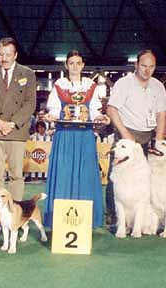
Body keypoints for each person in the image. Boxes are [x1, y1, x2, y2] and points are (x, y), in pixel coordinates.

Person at [42, 50, 109, 229]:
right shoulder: (59, 84)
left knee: (85, 173)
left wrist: (100, 117)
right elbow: (55, 110)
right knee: (63, 172)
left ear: (83, 65)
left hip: (84, 137)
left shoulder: (90, 86)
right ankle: (60, 219)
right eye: (71, 63)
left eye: (78, 63)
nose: (74, 66)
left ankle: (86, 220)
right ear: (66, 65)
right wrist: (50, 116)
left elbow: (95, 111)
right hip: (64, 135)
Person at [105, 49, 166, 225]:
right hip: (126, 136)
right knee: (117, 177)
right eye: (143, 66)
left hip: (148, 136)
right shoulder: (123, 83)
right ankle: (113, 215)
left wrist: (159, 141)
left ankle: (145, 218)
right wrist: (126, 135)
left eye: (151, 67)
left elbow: (162, 114)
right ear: (136, 65)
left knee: (144, 179)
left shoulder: (158, 86)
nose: (147, 70)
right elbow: (111, 110)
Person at [0, 37, 36, 200]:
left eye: (8, 54)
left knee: (16, 174)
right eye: (1, 54)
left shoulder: (28, 74)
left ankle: (15, 211)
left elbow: (30, 103)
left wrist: (12, 123)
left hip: (16, 131)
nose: (4, 58)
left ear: (15, 55)